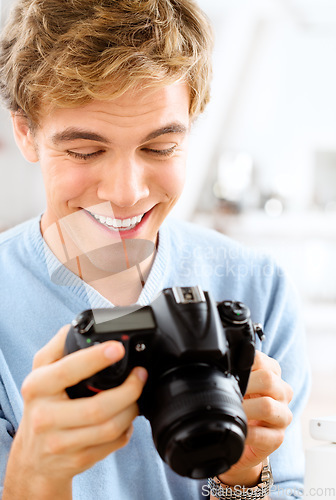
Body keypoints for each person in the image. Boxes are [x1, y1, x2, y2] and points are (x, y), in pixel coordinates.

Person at [0, 1, 309, 499]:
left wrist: (243, 476)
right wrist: (36, 476)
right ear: (25, 132)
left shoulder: (259, 287)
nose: (125, 193)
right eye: (85, 151)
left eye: (160, 148)